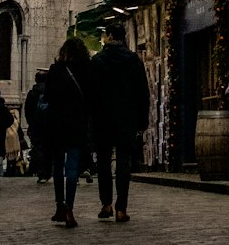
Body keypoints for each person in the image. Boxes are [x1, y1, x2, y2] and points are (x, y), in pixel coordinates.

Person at [89, 20, 150, 223]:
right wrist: (142, 120)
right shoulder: (133, 61)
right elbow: (143, 92)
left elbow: (91, 94)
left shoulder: (97, 61)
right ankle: (121, 208)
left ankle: (106, 203)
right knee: (124, 161)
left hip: (102, 118)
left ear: (109, 36)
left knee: (104, 161)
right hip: (127, 118)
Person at [43, 36, 92, 227]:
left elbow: (47, 97)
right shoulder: (87, 71)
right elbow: (91, 98)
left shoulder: (56, 70)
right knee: (72, 168)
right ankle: (69, 208)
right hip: (77, 124)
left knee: (58, 166)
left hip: (57, 125)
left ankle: (59, 206)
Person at [24, 69, 51, 182]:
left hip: (36, 125)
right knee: (48, 148)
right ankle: (48, 172)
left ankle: (41, 172)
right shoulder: (51, 92)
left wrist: (31, 123)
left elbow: (27, 110)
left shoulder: (32, 93)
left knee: (38, 147)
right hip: (49, 125)